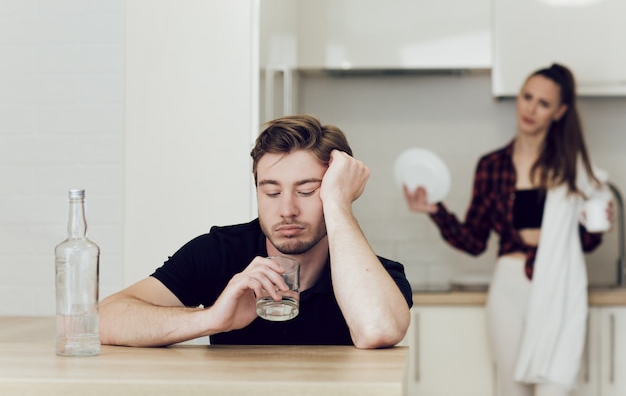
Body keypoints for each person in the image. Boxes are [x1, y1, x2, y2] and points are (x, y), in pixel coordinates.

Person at [100, 114, 412, 349]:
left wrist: (338, 204)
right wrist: (212, 318)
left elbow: (378, 329)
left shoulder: (376, 275)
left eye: (307, 191)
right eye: (272, 192)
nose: (287, 209)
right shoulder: (219, 252)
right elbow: (103, 319)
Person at [403, 64, 611, 396]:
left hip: (559, 286)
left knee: (555, 388)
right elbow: (474, 241)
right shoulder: (492, 165)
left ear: (560, 112)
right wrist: (435, 211)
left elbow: (584, 244)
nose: (530, 108)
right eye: (527, 97)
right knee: (513, 390)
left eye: (543, 103)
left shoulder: (574, 169)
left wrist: (596, 223)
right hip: (509, 288)